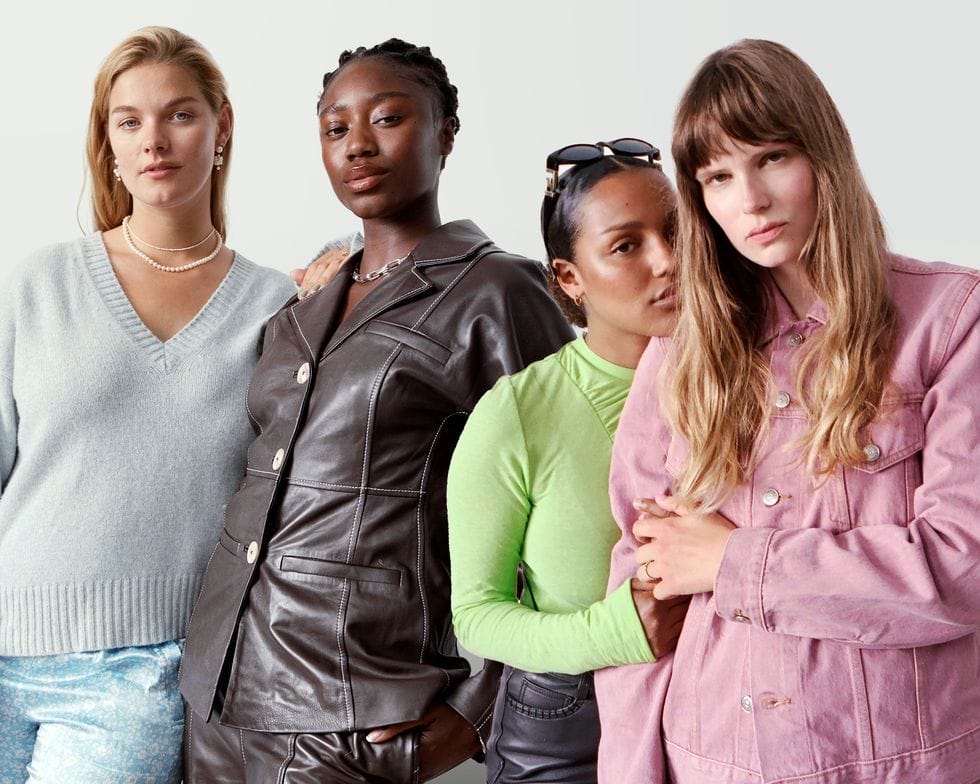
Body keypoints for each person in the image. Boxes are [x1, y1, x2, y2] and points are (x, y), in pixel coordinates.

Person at [178, 38, 574, 784]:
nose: (357, 144)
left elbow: (572, 514)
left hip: (350, 710)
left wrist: (481, 711)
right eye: (336, 128)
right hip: (215, 694)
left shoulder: (496, 291)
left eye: (388, 118)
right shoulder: (303, 307)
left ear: (445, 132)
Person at [595, 38, 980, 784]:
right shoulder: (679, 353)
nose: (750, 200)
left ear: (822, 154)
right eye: (718, 177)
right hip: (713, 762)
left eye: (771, 157)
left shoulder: (951, 321)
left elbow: (961, 570)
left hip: (896, 767)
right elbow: (639, 594)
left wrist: (733, 562)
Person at [0, 26, 297, 783]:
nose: (154, 141)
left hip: (144, 671)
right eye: (129, 121)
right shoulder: (37, 284)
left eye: (180, 115)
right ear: (107, 141)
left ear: (222, 128)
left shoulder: (275, 305)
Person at [447, 139, 689, 784]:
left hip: (727, 701)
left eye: (676, 232)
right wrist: (614, 632)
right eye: (626, 245)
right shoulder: (520, 412)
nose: (667, 260)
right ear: (569, 278)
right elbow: (476, 612)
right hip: (569, 726)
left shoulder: (759, 382)